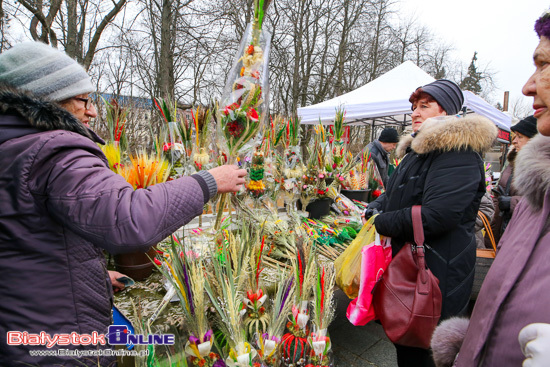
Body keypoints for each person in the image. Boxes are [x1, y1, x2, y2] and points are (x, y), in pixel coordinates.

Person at [0, 41, 247, 366]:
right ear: (49, 100)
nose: (91, 111)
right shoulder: (54, 151)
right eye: (83, 100)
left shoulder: (13, 148)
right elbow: (128, 219)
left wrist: (91, 278)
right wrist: (210, 181)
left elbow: (23, 247)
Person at [430, 10, 550, 367]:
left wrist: (390, 219)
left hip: (445, 260)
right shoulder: (537, 188)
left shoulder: (462, 158)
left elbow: (445, 211)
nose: (529, 85)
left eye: (544, 64)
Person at [364, 79, 497, 367]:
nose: (414, 112)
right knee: (409, 342)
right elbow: (397, 194)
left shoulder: (457, 151)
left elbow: (438, 215)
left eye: (425, 106)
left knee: (426, 351)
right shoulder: (418, 151)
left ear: (447, 112)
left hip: (439, 272)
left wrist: (382, 221)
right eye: (413, 106)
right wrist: (375, 206)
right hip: (414, 265)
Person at [488, 115, 538, 245]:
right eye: (514, 136)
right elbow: (498, 194)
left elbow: (544, 203)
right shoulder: (512, 163)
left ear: (535, 140)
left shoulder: (542, 167)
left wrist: (513, 202)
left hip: (525, 238)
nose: (514, 141)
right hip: (502, 231)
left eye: (520, 136)